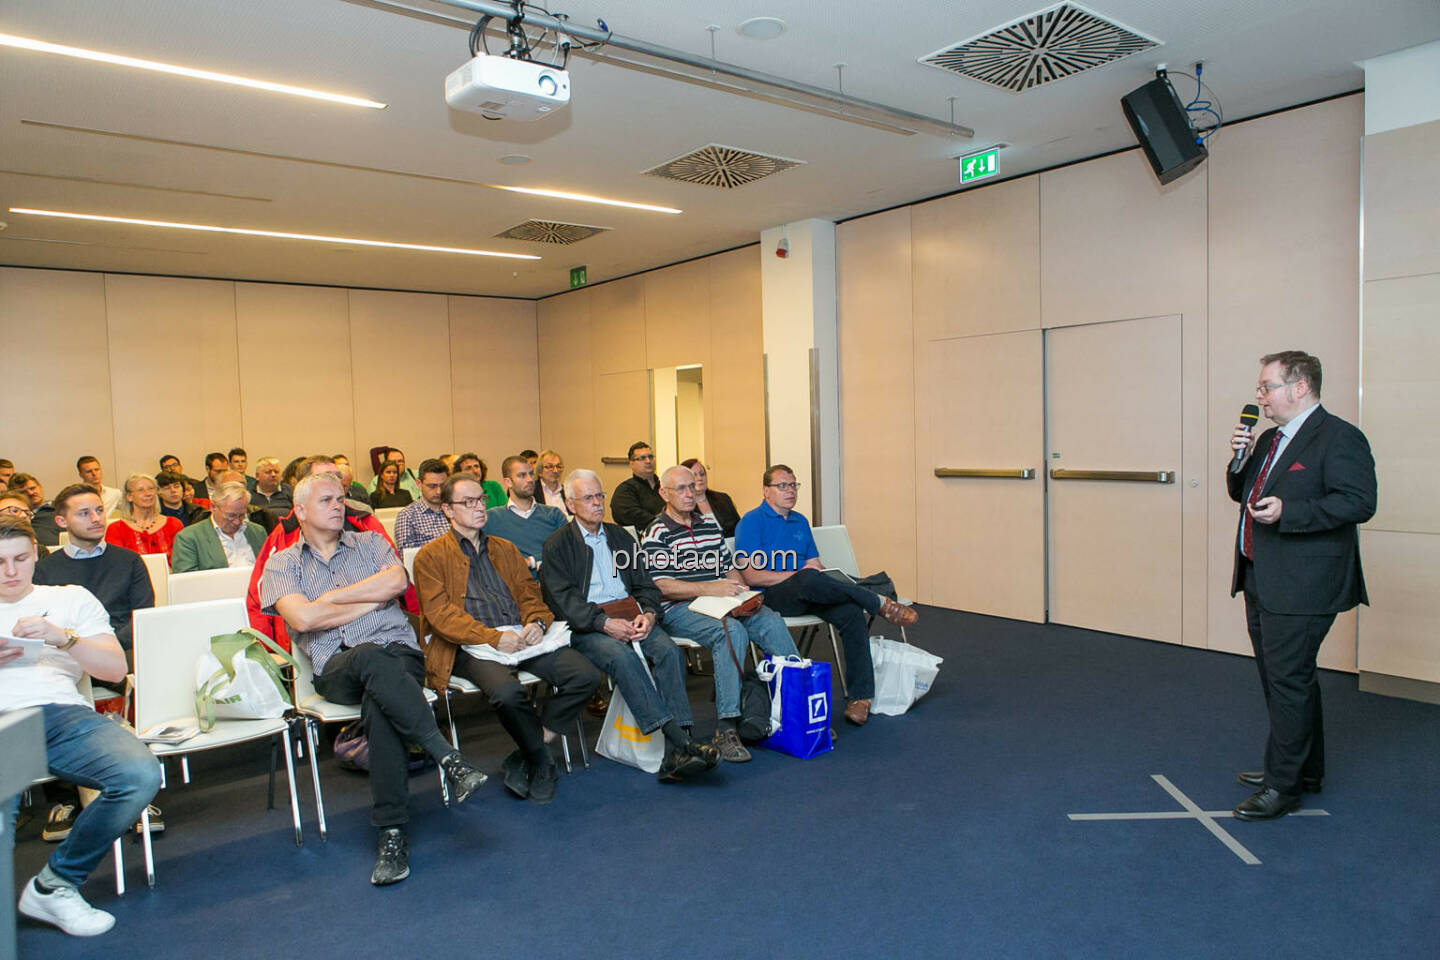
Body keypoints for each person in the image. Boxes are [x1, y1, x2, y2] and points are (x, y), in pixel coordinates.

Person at [260, 473, 489, 885]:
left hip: (399, 654)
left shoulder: (369, 543)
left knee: (381, 704)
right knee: (369, 658)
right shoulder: (283, 562)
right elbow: (302, 617)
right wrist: (369, 599)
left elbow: (398, 582)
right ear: (299, 511)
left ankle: (392, 833)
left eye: (341, 498)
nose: (338, 505)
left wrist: (329, 600)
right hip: (337, 666)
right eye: (327, 499)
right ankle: (446, 756)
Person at [1226, 351, 1377, 821]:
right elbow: (1241, 493)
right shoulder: (1270, 438)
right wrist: (1240, 458)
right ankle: (1303, 768)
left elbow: (1358, 502)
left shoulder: (1339, 438)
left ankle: (1283, 785)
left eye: (1266, 387)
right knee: (1286, 678)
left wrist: (1291, 513)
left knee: (1288, 680)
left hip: (1304, 582)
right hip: (1261, 572)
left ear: (1300, 388)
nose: (1259, 397)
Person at [0, 516, 162, 937]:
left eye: (20, 558)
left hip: (59, 713)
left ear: (38, 554)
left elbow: (115, 667)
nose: (11, 572)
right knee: (3, 804)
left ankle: (55, 885)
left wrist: (63, 638)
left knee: (139, 774)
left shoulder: (70, 598)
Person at [415, 474, 600, 804]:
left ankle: (531, 749)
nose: (478, 507)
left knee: (584, 674)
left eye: (481, 500)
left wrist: (535, 623)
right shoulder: (430, 556)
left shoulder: (503, 548)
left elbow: (530, 593)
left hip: (518, 637)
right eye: (468, 502)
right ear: (447, 510)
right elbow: (440, 615)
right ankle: (543, 763)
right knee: (507, 692)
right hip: (470, 644)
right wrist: (491, 638)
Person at [540, 469, 719, 782]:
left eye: (600, 496)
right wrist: (604, 623)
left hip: (631, 615)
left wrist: (649, 614)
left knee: (668, 651)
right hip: (589, 626)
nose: (598, 503)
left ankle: (680, 747)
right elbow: (562, 602)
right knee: (621, 658)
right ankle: (682, 742)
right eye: (588, 498)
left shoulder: (619, 537)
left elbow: (646, 585)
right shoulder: (558, 545)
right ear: (570, 504)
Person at [734, 464, 917, 727]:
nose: (790, 491)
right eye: (782, 485)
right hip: (772, 597)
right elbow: (751, 575)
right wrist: (799, 574)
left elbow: (815, 564)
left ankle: (860, 698)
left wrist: (809, 573)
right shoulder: (751, 522)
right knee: (808, 577)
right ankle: (876, 601)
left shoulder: (800, 521)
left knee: (851, 613)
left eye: (794, 485)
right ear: (766, 491)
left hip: (809, 591)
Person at [642, 465, 799, 762]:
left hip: (721, 600)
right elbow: (661, 586)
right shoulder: (656, 532)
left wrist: (742, 591)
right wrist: (711, 588)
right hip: (679, 608)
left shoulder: (708, 524)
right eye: (681, 489)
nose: (690, 493)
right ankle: (726, 727)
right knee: (730, 631)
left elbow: (729, 569)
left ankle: (796, 709)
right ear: (664, 493)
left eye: (692, 487)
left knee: (770, 621)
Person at [246, 457, 413, 649]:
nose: (336, 483)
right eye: (325, 478)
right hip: (323, 645)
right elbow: (261, 601)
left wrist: (328, 599)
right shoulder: (283, 537)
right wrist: (268, 650)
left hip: (382, 634)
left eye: (337, 476)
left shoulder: (366, 524)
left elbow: (399, 581)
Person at [483, 455, 567, 572]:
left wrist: (531, 562)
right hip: (510, 587)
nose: (530, 480)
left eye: (531, 474)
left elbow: (568, 551)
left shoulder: (553, 515)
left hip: (551, 584)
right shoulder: (491, 518)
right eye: (522, 475)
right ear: (508, 482)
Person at [170, 482, 266, 573]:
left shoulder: (257, 532)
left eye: (241, 515)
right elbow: (186, 581)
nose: (237, 522)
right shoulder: (189, 538)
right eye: (231, 515)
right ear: (213, 507)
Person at [104, 473, 183, 559]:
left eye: (151, 489)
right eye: (140, 490)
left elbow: (181, 560)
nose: (148, 493)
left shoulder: (173, 524)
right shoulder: (116, 529)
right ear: (129, 496)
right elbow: (117, 563)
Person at [610, 441, 664, 531]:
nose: (648, 461)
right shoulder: (625, 490)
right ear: (631, 463)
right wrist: (662, 523)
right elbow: (631, 515)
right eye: (642, 458)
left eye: (650, 457)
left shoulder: (666, 487)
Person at [682, 458, 742, 539]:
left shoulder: (723, 499)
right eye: (694, 475)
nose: (700, 478)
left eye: (702, 474)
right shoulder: (682, 506)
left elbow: (739, 527)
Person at [10, 473, 61, 545]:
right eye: (23, 492)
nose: (30, 493)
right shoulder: (15, 518)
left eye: (32, 488)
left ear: (40, 487)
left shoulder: (60, 508)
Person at [536, 449, 570, 516]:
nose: (555, 471)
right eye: (550, 466)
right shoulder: (532, 491)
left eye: (558, 466)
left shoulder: (567, 492)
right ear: (540, 472)